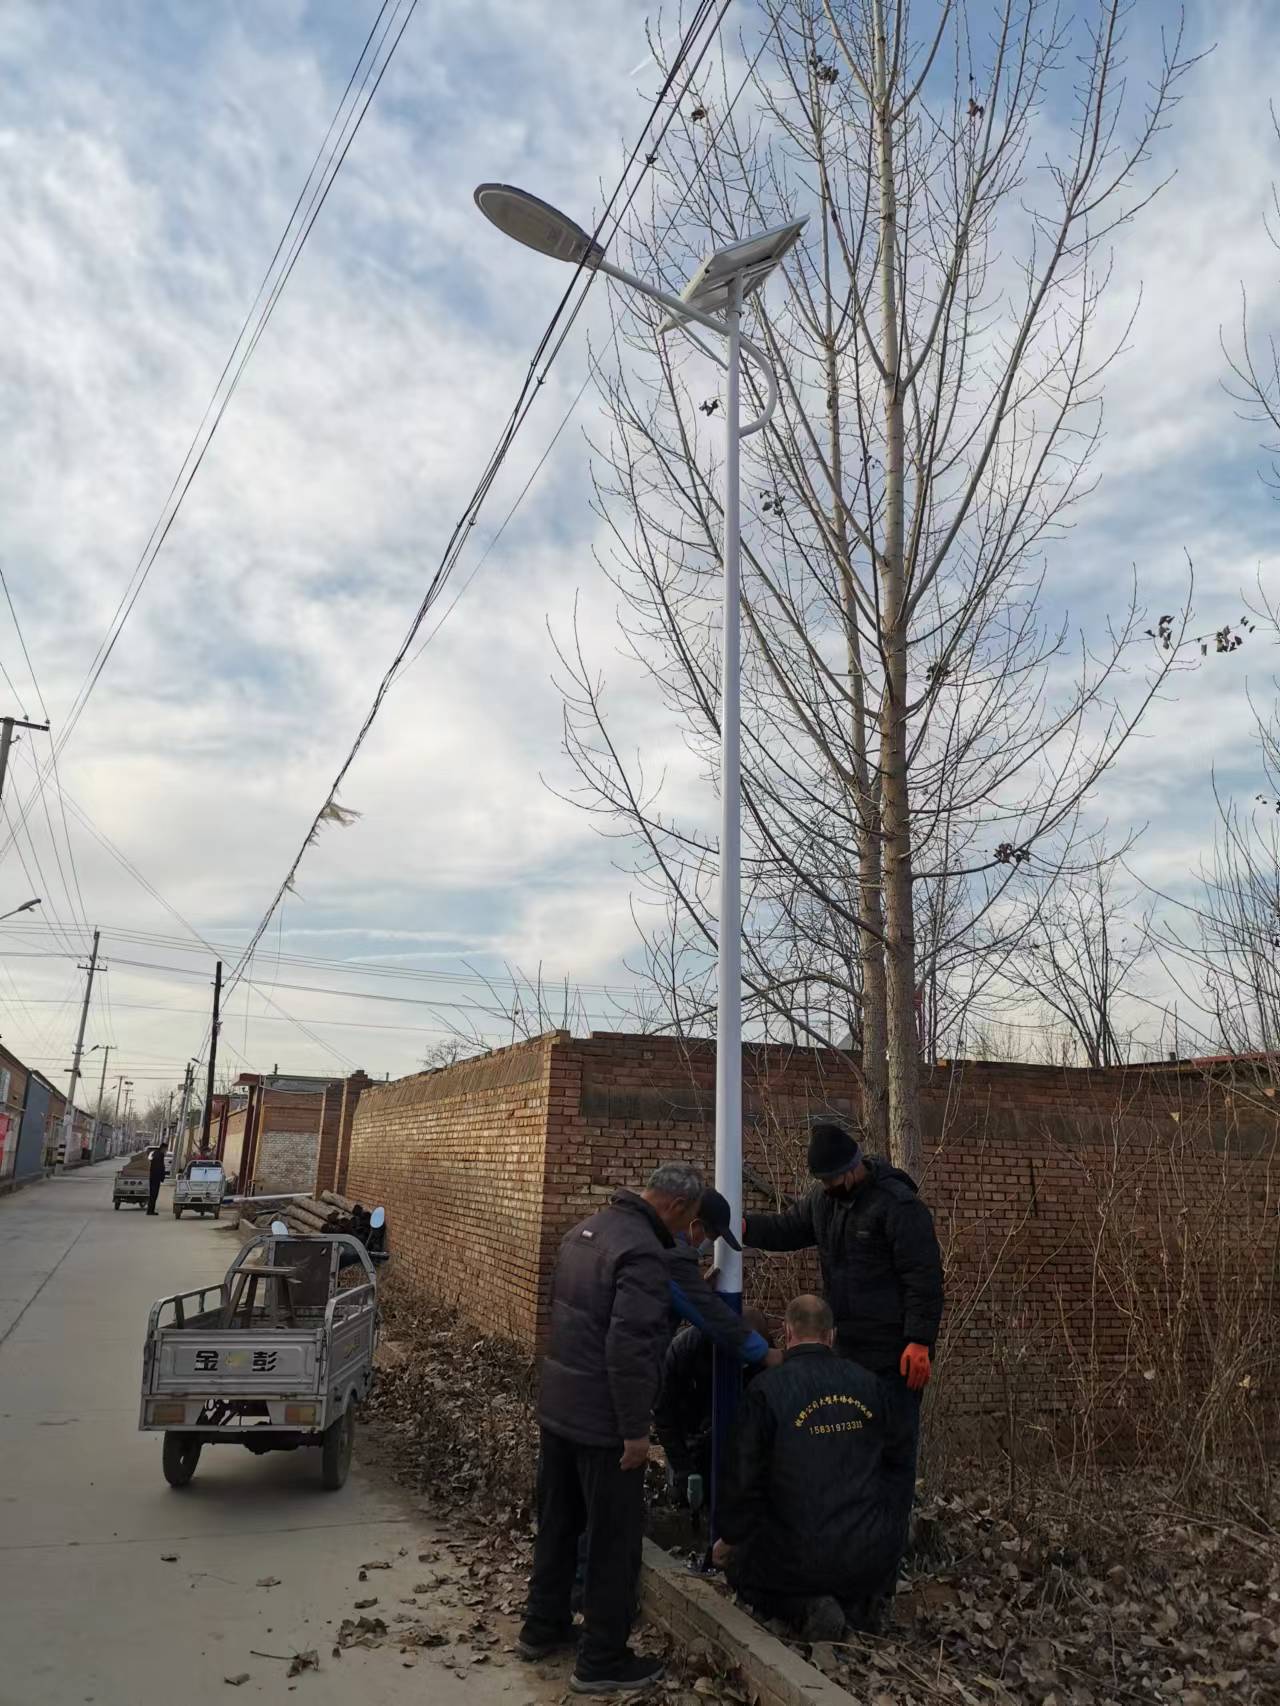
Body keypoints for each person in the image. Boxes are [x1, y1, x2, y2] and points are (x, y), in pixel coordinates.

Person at [520, 1161, 704, 1695]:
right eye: (686, 1219)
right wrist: (634, 1431)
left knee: (558, 1524)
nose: (683, 1230)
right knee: (613, 1542)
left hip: (560, 1411)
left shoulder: (584, 1231)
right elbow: (632, 1349)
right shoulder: (643, 1253)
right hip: (604, 1425)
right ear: (675, 1206)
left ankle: (542, 1626)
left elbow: (567, 1320)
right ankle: (601, 1658)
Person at [743, 1119, 944, 1593]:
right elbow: (787, 1228)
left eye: (834, 1179)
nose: (829, 1187)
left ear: (854, 1167)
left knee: (892, 1456)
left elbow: (923, 1277)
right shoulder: (823, 1202)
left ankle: (885, 1564)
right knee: (850, 1454)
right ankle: (850, 1552)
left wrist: (919, 1341)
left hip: (894, 1358)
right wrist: (744, 1226)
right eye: (822, 1182)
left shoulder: (898, 1207)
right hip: (848, 1354)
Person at [712, 1295, 906, 1641]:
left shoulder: (765, 1391)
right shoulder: (871, 1385)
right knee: (849, 1565)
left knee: (741, 1567)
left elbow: (744, 1480)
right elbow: (897, 1466)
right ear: (832, 1335)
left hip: (798, 1561)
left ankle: (804, 1607)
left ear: (787, 1332)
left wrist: (729, 1539)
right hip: (869, 1555)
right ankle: (857, 1604)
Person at [654, 1309, 771, 1504]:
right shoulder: (684, 1351)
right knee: (686, 1497)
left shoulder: (762, 1354)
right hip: (688, 1435)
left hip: (737, 1443)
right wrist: (684, 1469)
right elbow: (664, 1415)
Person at [667, 1188, 781, 1371]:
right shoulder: (675, 1256)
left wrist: (697, 1288)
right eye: (709, 1239)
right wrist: (764, 1353)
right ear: (695, 1225)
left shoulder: (656, 1237)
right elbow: (709, 1313)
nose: (704, 1246)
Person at [146, 1142, 167, 1215]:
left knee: (152, 1194)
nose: (166, 1151)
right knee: (154, 1194)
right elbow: (160, 1166)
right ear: (163, 1148)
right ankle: (150, 1211)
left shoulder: (155, 1153)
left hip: (152, 1176)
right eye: (166, 1149)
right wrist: (162, 1177)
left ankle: (150, 1210)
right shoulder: (160, 1155)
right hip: (156, 1177)